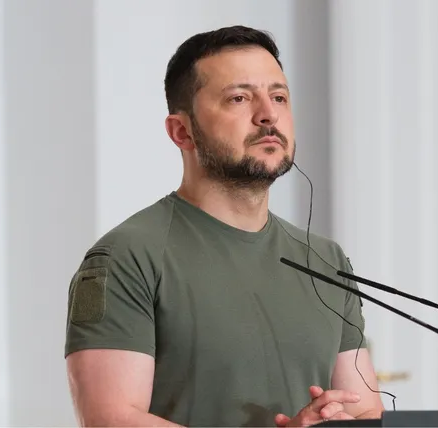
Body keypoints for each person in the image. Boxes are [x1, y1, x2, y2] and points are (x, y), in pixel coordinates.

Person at [63, 25, 385, 427]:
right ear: (182, 131)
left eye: (279, 97)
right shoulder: (124, 258)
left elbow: (364, 408)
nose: (268, 114)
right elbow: (111, 420)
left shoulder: (326, 259)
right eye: (239, 98)